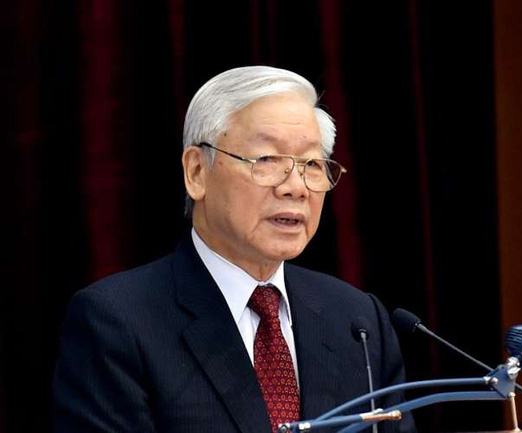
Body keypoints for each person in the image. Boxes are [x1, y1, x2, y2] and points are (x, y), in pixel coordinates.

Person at [53, 66, 416, 433]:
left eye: (311, 164)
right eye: (267, 160)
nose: (295, 187)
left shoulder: (358, 321)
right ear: (197, 172)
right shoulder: (117, 322)